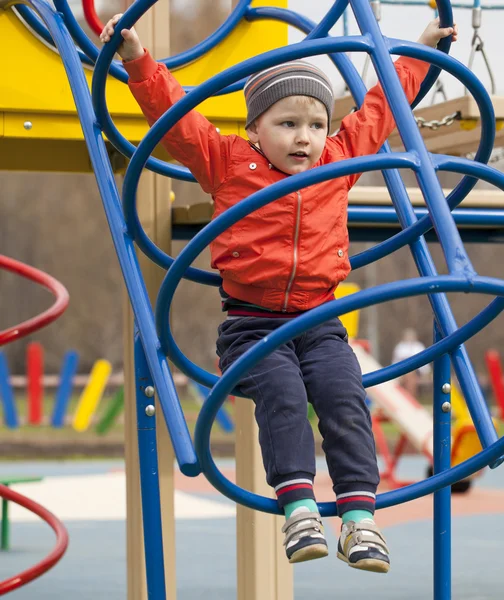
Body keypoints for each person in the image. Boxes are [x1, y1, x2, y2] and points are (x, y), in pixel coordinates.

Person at [101, 15, 457, 573]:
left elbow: (380, 108)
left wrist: (421, 53)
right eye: (287, 123)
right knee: (284, 394)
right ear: (255, 128)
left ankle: (359, 520)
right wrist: (138, 61)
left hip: (321, 321)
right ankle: (299, 508)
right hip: (252, 323)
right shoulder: (226, 163)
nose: (304, 137)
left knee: (345, 396)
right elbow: (177, 123)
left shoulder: (337, 162)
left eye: (316, 124)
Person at [392, 328, 432, 398]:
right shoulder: (400, 347)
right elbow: (395, 362)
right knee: (408, 376)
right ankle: (409, 397)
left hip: (416, 371)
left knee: (410, 376)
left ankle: (409, 397)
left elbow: (424, 363)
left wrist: (425, 374)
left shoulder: (418, 346)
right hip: (401, 371)